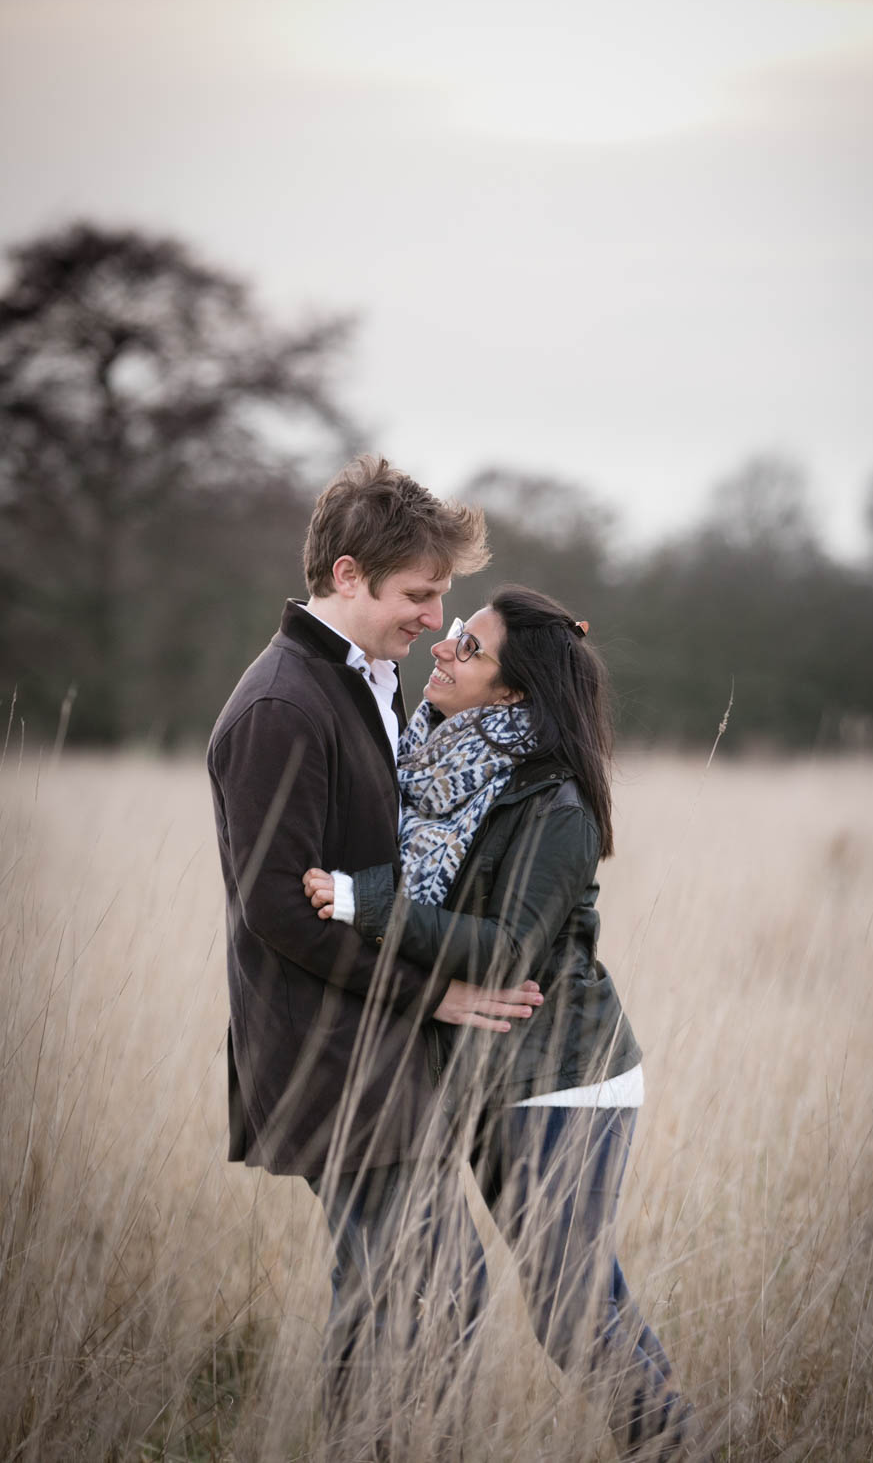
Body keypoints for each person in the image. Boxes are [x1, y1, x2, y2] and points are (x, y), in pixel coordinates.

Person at [303, 585, 692, 1459]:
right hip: (477, 1071)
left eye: (468, 649)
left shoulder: (556, 805)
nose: (442, 650)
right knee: (563, 1296)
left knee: (571, 1308)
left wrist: (365, 903)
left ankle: (675, 1447)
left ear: (513, 693)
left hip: (562, 1078)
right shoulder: (430, 763)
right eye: (448, 634)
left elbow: (509, 947)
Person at [207, 458, 543, 1427]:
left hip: (377, 1051)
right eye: (418, 595)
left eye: (444, 597)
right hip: (328, 1054)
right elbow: (275, 909)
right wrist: (428, 996)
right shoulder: (281, 705)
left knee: (388, 1299)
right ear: (347, 576)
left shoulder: (369, 681)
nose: (435, 619)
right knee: (436, 1293)